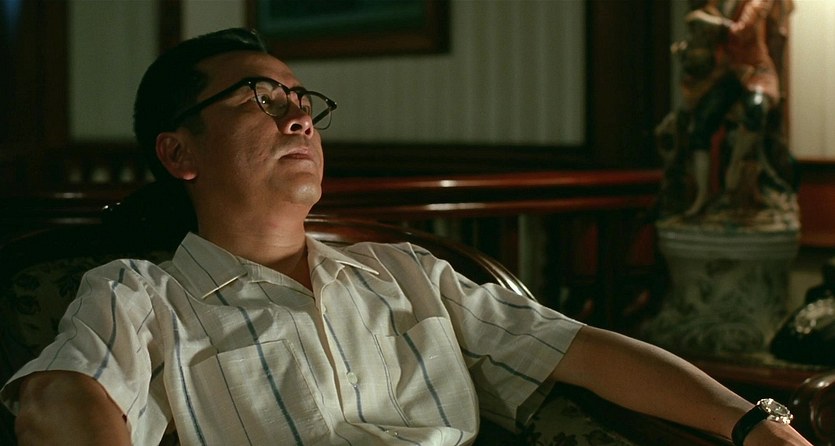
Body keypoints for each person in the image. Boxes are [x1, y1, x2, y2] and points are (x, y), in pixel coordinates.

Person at [0, 28, 811, 446]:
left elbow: (580, 349)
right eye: (259, 97)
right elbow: (63, 398)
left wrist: (754, 423)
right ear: (179, 153)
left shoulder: (405, 273)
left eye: (301, 100)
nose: (297, 116)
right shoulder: (142, 293)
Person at [679, 0, 792, 216]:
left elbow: (742, 31)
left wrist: (708, 21)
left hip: (756, 72)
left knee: (756, 109)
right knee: (702, 123)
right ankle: (702, 195)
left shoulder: (756, 2)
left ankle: (736, 166)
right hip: (731, 74)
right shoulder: (718, 4)